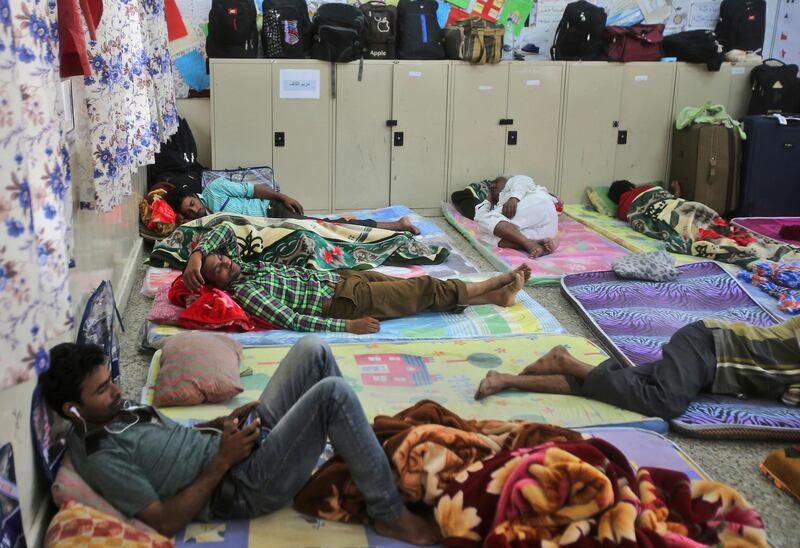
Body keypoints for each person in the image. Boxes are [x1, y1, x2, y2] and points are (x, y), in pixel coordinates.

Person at [40, 338, 442, 544]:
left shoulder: (113, 410)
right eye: (101, 390)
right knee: (332, 394)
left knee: (313, 350)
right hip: (243, 485)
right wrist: (221, 460)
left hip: (235, 447)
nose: (115, 392)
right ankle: (389, 514)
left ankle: (359, 454)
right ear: (73, 410)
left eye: (110, 382)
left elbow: (170, 441)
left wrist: (220, 423)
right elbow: (165, 521)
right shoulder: (100, 454)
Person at [183, 223, 530, 334]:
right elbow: (292, 320)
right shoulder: (246, 292)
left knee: (409, 288)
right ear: (219, 285)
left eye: (223, 259)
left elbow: (225, 231)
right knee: (420, 288)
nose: (226, 262)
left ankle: (494, 298)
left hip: (338, 279)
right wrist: (346, 328)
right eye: (219, 269)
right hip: (342, 303)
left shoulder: (246, 264)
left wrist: (197, 256)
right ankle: (493, 284)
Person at [474, 317, 800, 419]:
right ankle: (569, 362)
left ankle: (508, 380)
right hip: (707, 345)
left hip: (712, 373)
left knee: (622, 384)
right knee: (665, 401)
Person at [608, 179, 800, 268]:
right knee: (728, 229)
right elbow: (669, 199)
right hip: (691, 207)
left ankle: (752, 255)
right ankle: (779, 251)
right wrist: (676, 192)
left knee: (707, 236)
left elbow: (642, 218)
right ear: (632, 186)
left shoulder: (623, 210)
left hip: (675, 218)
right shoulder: (649, 187)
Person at [163, 179, 420, 234]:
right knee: (327, 232)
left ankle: (396, 226)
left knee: (329, 229)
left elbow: (253, 190)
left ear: (195, 195)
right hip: (268, 232)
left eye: (192, 204)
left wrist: (282, 197)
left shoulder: (215, 189)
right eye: (189, 212)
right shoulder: (200, 222)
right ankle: (394, 227)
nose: (195, 210)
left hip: (273, 213)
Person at [474, 175, 561, 258]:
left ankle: (526, 243)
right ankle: (539, 245)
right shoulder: (499, 206)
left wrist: (514, 198)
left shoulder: (513, 183)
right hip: (547, 230)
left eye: (496, 182)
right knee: (486, 237)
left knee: (487, 222)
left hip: (539, 203)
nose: (492, 186)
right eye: (490, 187)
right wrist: (489, 199)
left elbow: (524, 180)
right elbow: (479, 218)